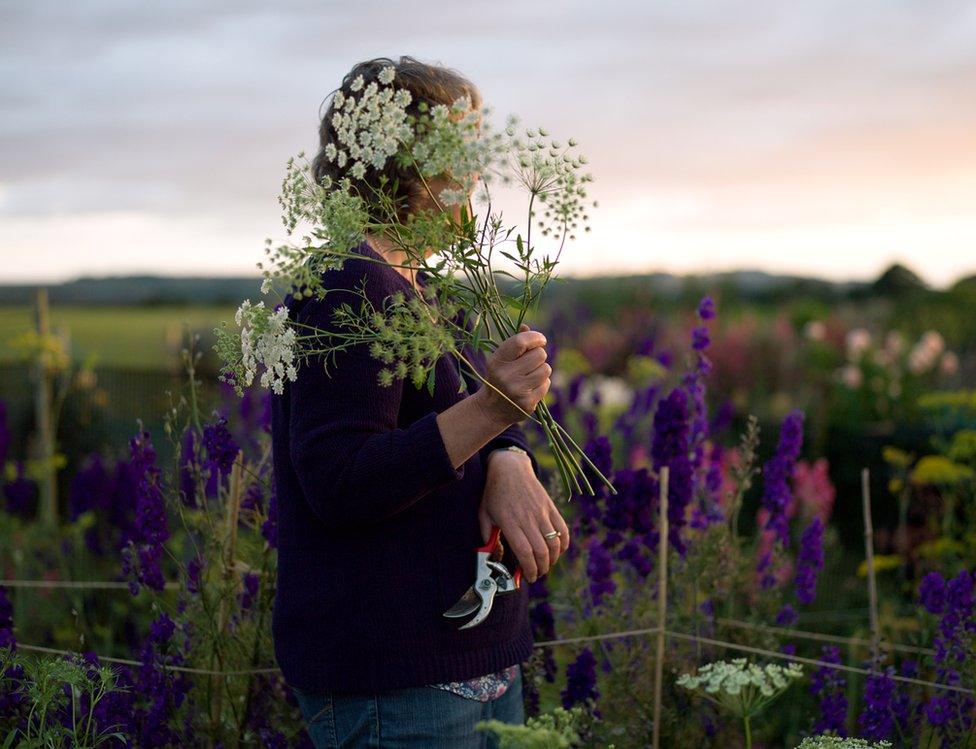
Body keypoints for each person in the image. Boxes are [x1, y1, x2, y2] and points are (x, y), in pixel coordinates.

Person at [270, 55, 571, 748]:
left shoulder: (414, 289)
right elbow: (341, 480)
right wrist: (495, 411)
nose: (477, 177)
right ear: (405, 164)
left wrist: (506, 455)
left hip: (454, 665)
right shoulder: (347, 287)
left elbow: (446, 418)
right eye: (460, 154)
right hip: (401, 684)